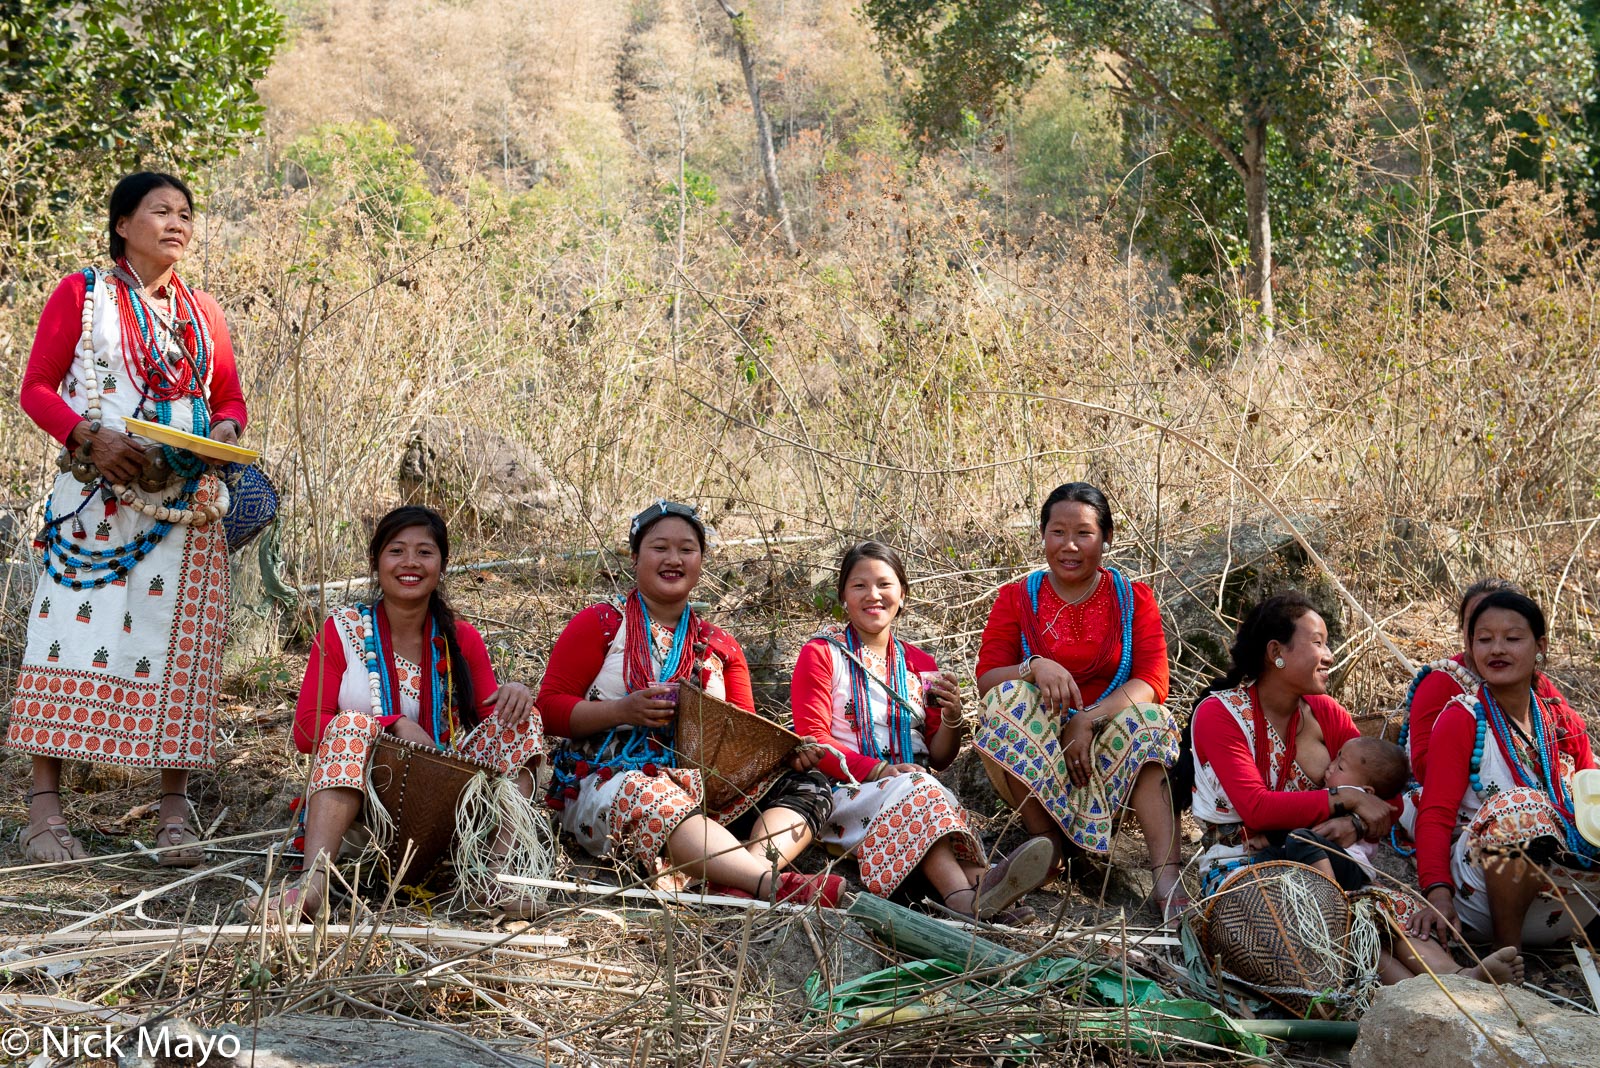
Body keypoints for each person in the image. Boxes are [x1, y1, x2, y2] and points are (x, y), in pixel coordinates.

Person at [6, 172, 248, 865]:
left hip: (183, 504)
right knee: (65, 638)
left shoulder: (202, 312)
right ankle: (43, 814)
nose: (177, 223)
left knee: (180, 651)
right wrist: (90, 438)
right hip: (94, 504)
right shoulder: (81, 296)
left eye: (186, 214)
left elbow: (230, 399)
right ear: (122, 224)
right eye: (160, 211)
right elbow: (37, 389)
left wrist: (225, 433)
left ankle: (174, 813)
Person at [1192, 592, 1521, 985]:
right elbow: (1257, 809)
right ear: (1276, 651)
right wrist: (1346, 798)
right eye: (1318, 642)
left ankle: (1458, 978)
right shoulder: (1220, 713)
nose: (1329, 655)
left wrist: (1358, 825)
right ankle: (1418, 992)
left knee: (1376, 903)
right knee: (1315, 918)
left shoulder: (1327, 713)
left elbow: (1390, 793)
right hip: (1241, 866)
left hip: (1321, 857)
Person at [536, 501, 842, 905]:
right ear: (635, 556)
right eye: (659, 548)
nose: (673, 559)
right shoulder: (601, 623)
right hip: (608, 777)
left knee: (812, 784)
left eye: (687, 549)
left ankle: (741, 874)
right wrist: (621, 711)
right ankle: (771, 887)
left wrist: (786, 754)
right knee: (648, 792)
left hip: (706, 784)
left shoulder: (721, 646)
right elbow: (550, 710)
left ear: (701, 560)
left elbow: (742, 736)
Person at [267, 506, 548, 918]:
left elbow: (493, 718)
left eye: (425, 552)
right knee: (350, 724)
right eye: (397, 551)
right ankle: (315, 885)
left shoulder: (461, 638)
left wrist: (518, 694)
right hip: (362, 821)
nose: (410, 563)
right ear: (377, 562)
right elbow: (307, 732)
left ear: (442, 565)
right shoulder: (343, 631)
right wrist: (391, 725)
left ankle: (492, 877)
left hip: (448, 821)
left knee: (522, 722)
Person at [790, 542, 1054, 923]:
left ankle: (991, 893)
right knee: (918, 790)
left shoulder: (919, 663)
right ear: (843, 596)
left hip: (916, 790)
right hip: (846, 792)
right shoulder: (821, 654)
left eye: (884, 584)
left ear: (902, 594)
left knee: (923, 789)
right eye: (859, 586)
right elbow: (813, 739)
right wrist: (880, 771)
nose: (873, 595)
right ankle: (968, 898)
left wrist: (951, 719)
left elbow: (940, 757)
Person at [972, 482, 1188, 921]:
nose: (1069, 546)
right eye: (1058, 532)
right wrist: (1034, 666)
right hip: (1040, 748)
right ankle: (1047, 850)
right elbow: (987, 679)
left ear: (1106, 538)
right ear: (1042, 534)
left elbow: (1152, 680)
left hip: (1110, 749)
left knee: (1151, 720)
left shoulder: (1134, 599)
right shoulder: (1016, 599)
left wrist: (1086, 719)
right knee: (1007, 698)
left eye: (1084, 534)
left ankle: (1168, 878)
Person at [1410, 589, 1600, 953]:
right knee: (1519, 808)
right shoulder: (1462, 717)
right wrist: (1438, 892)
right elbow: (1435, 813)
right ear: (1470, 647)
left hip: (1563, 895)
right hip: (1480, 891)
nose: (1496, 649)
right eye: (1484, 639)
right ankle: (1506, 960)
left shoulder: (1552, 717)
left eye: (1512, 638)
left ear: (1540, 645)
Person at [1402, 578, 1559, 786]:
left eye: (1511, 636)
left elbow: (1576, 743)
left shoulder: (1531, 682)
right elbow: (1425, 769)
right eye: (1480, 622)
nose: (1497, 647)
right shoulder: (1441, 682)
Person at [1245, 736, 1409, 891]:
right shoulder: (1359, 795)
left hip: (1348, 865)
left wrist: (1265, 839)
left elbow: (1302, 821)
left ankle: (1329, 895)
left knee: (1299, 839)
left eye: (1340, 767)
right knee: (1271, 855)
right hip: (1326, 859)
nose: (1331, 766)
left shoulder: (1352, 796)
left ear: (1367, 791)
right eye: (1336, 757)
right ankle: (1272, 892)